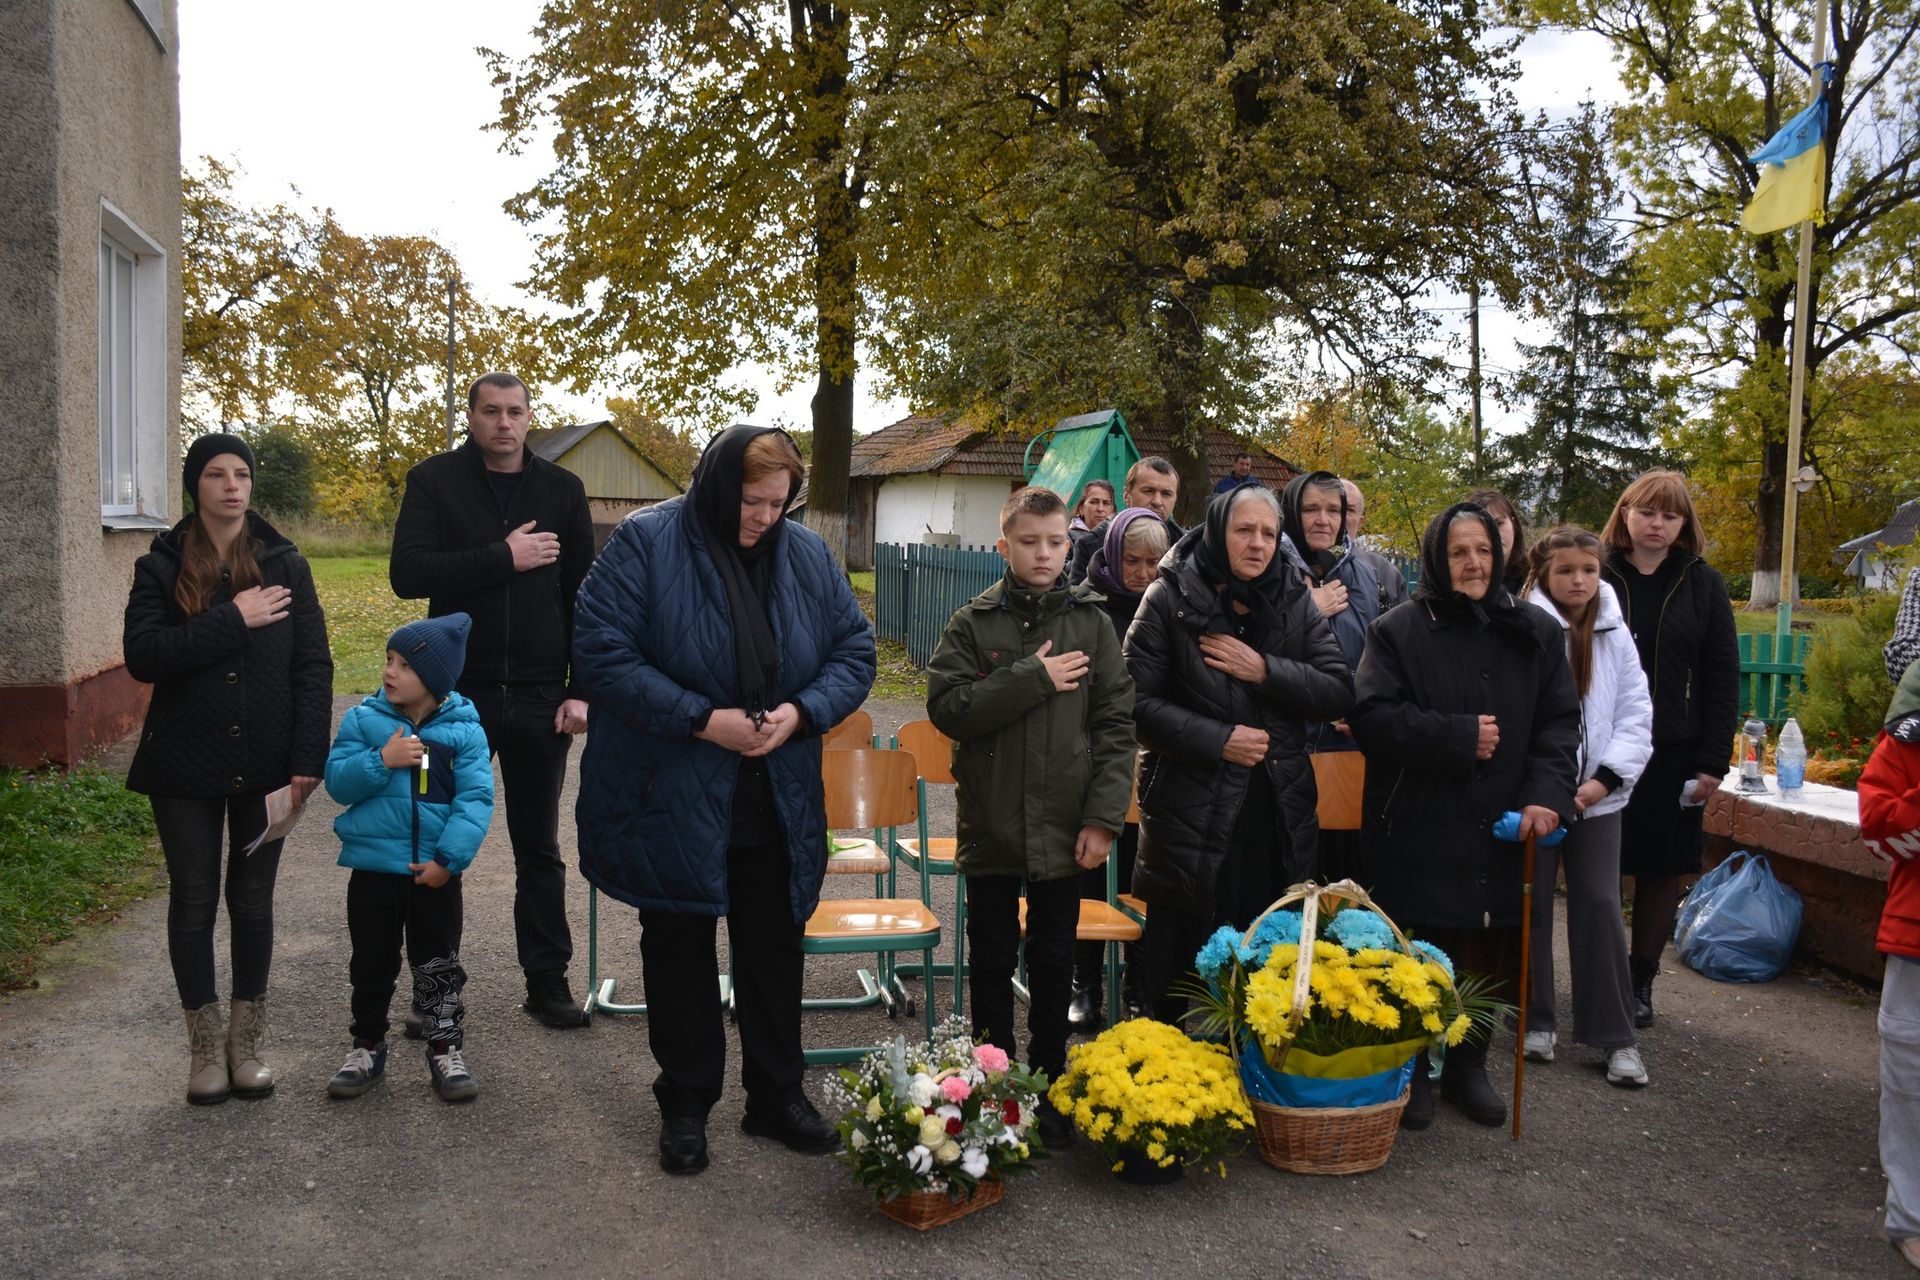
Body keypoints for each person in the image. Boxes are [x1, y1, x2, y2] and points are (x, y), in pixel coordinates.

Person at [572, 425, 875, 1176]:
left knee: (773, 944)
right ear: (714, 486)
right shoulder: (647, 543)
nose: (765, 519)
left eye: (779, 504)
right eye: (751, 501)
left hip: (774, 788)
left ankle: (776, 1094)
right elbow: (601, 653)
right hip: (671, 787)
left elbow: (852, 651)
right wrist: (704, 720)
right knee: (677, 947)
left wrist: (801, 713)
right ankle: (685, 1103)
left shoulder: (804, 553)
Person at [1348, 502, 1580, 1130]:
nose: (1474, 562)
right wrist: (1453, 737)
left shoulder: (1536, 631)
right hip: (1420, 822)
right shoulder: (1398, 631)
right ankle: (1414, 1067)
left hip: (1504, 819)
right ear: (1436, 560)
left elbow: (1560, 725)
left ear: (1501, 555)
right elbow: (1371, 718)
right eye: (1458, 553)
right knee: (1422, 944)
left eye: (1483, 550)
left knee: (1490, 944)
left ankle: (1468, 1064)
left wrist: (1546, 795)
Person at [122, 433, 334, 1105]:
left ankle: (246, 1047)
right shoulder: (159, 566)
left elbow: (313, 665)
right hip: (182, 761)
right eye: (217, 474)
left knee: (251, 900)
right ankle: (204, 1052)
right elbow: (145, 655)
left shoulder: (285, 565)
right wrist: (234, 617)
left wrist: (307, 759)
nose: (232, 485)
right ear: (196, 485)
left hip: (267, 762)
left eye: (242, 473)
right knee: (192, 900)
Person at [927, 487, 1136, 1137]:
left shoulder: (1092, 624)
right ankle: (994, 1084)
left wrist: (1104, 819)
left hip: (1066, 826)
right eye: (1029, 542)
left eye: (1055, 542)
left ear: (1068, 545)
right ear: (1003, 547)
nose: (1043, 554)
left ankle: (1047, 1081)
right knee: (990, 961)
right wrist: (1031, 679)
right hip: (991, 822)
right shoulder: (973, 622)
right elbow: (948, 709)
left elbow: (1114, 725)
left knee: (1051, 963)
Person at [389, 372, 596, 1029]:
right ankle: (435, 992)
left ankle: (547, 981)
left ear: (530, 416)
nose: (503, 423)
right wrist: (501, 558)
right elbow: (408, 573)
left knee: (539, 847)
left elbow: (583, 600)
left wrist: (581, 689)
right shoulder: (435, 482)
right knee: (436, 844)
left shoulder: (561, 491)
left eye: (515, 411)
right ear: (472, 416)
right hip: (453, 699)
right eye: (490, 412)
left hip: (540, 700)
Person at [1124, 485, 1354, 1019]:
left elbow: (1339, 689)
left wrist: (1265, 670)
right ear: (1217, 529)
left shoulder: (1293, 599)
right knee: (1183, 967)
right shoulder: (1169, 596)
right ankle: (1176, 1089)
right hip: (1190, 811)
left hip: (1274, 813)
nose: (1258, 544)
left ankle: (1257, 1091)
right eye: (1244, 531)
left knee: (1263, 963)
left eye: (1269, 533)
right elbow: (1132, 703)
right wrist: (1218, 739)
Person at [324, 615, 494, 1104]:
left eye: (404, 664)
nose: (390, 671)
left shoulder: (464, 733)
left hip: (433, 876)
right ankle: (367, 1046)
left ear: (436, 679)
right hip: (374, 871)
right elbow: (338, 784)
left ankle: (445, 1048)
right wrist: (383, 759)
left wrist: (449, 860)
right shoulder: (364, 720)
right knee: (371, 963)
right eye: (388, 660)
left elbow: (475, 801)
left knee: (436, 965)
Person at [1599, 470, 1738, 1028]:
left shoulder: (1702, 583)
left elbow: (1722, 673)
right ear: (1625, 513)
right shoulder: (1597, 573)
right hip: (1603, 747)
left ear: (1684, 524)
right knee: (1601, 867)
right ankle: (1601, 974)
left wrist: (1712, 760)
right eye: (1647, 512)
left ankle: (1639, 981)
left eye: (1670, 515)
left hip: (1673, 749)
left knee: (1662, 871)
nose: (1657, 525)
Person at [1522, 526, 1654, 1088]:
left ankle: (1615, 1036)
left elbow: (1635, 714)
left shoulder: (1616, 633)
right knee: (1529, 907)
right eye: (1566, 571)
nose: (1579, 581)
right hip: (1537, 797)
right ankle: (1535, 1020)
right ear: (1543, 577)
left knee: (1600, 905)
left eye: (1590, 571)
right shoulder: (1524, 630)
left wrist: (1603, 780)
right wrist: (1543, 788)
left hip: (1599, 799)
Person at [1276, 470, 1407, 883]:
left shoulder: (1365, 574)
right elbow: (1254, 651)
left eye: (1334, 510)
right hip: (1287, 743)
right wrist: (1309, 607)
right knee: (1293, 873)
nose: (1323, 519)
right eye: (1311, 509)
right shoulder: (1270, 566)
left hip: (1348, 743)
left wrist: (1365, 708)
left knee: (1349, 879)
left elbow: (1378, 655)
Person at [1066, 505, 1168, 1028]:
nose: (1145, 573)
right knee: (1090, 872)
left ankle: (1139, 987)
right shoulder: (1086, 607)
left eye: (1155, 561)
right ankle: (1085, 984)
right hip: (1096, 761)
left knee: (1141, 880)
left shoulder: (1173, 605)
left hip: (1152, 766)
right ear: (1112, 556)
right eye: (1134, 561)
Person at [1855, 659, 1920, 1271]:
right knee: (1910, 1071)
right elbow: (1877, 828)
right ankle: (1913, 1217)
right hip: (1916, 930)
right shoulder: (1908, 735)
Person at [1069, 456, 1182, 583]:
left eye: (1166, 494)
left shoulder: (1186, 548)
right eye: (1148, 491)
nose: (1157, 501)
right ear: (1127, 495)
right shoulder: (1090, 545)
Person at [1466, 487, 1529, 595]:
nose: (1493, 533)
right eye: (1482, 527)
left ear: (1513, 524)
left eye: (1499, 524)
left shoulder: (1536, 577)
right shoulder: (1461, 579)